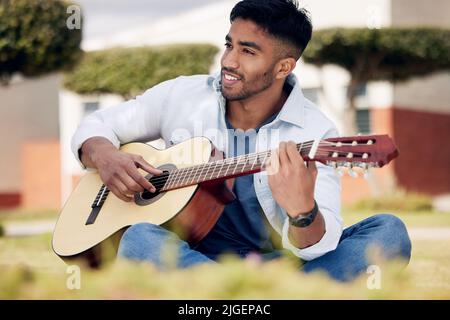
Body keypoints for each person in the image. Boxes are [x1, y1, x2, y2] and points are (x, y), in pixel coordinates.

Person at [72, 0, 411, 282]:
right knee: (139, 240)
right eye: (229, 44)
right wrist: (104, 155)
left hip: (280, 265)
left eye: (247, 51)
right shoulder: (182, 94)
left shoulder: (315, 132)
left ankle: (235, 293)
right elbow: (98, 124)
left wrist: (303, 213)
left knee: (389, 232)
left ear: (283, 68)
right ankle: (262, 296)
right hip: (190, 253)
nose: (229, 61)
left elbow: (316, 249)